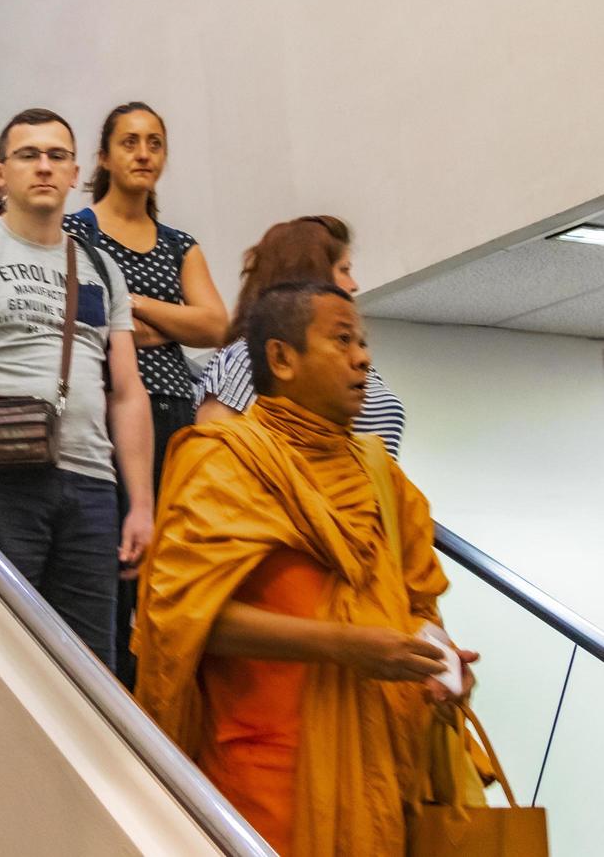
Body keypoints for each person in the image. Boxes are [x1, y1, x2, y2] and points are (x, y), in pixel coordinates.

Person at [133, 281, 478, 857]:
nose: (362, 356)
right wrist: (345, 646)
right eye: (342, 339)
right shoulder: (224, 460)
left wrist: (440, 664)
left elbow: (416, 608)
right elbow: (181, 620)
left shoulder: (383, 481)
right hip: (261, 774)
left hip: (372, 778)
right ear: (281, 358)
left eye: (363, 342)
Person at [0, 108, 154, 664]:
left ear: (75, 173)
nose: (43, 167)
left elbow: (128, 391)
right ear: (1, 171)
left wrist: (140, 502)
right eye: (28, 155)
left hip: (93, 486)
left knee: (90, 665)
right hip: (2, 478)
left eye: (56, 156)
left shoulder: (101, 266)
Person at [64, 101, 228, 685]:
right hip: (100, 410)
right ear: (104, 157)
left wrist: (129, 305)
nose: (142, 153)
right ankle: (101, 691)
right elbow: (75, 311)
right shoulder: (73, 230)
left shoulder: (180, 244)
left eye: (154, 142)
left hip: (172, 415)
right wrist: (160, 322)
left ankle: (150, 704)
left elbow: (214, 325)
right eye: (129, 142)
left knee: (162, 566)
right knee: (104, 560)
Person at [197, 216, 406, 456]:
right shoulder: (250, 356)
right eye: (344, 270)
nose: (354, 284)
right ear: (312, 277)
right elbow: (214, 456)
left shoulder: (354, 357)